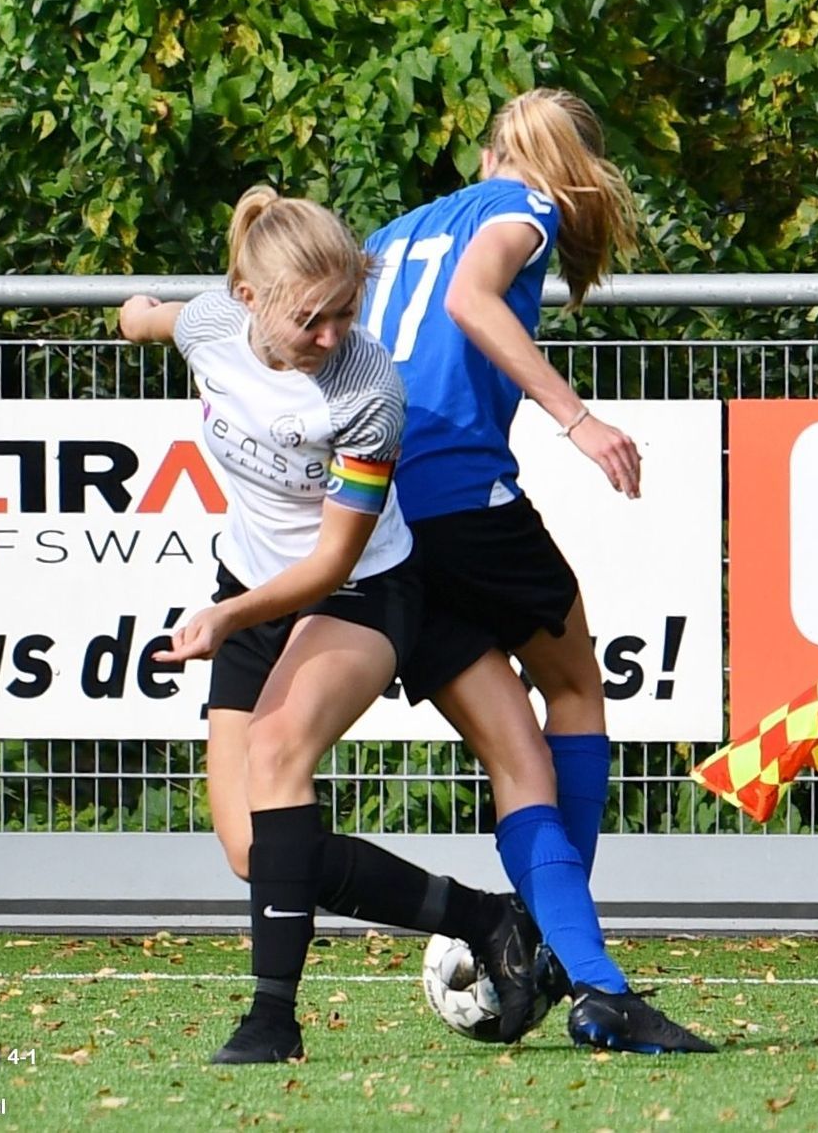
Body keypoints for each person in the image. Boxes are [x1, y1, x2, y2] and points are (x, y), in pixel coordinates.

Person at [118, 186, 543, 1065]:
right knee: (255, 851)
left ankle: (272, 1021)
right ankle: (485, 917)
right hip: (249, 589)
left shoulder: (367, 390)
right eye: (310, 318)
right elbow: (154, 319)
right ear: (248, 299)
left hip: (358, 591)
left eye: (346, 311)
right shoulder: (213, 325)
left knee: (278, 756)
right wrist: (136, 314)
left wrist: (225, 615)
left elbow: (331, 562)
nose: (332, 335)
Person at [360, 87, 715, 1053]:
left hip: (378, 519)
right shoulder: (524, 205)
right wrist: (578, 418)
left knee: (516, 757)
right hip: (461, 495)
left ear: (485, 150)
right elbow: (471, 300)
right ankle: (570, 961)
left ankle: (577, 966)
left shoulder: (395, 231)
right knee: (574, 687)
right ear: (572, 166)